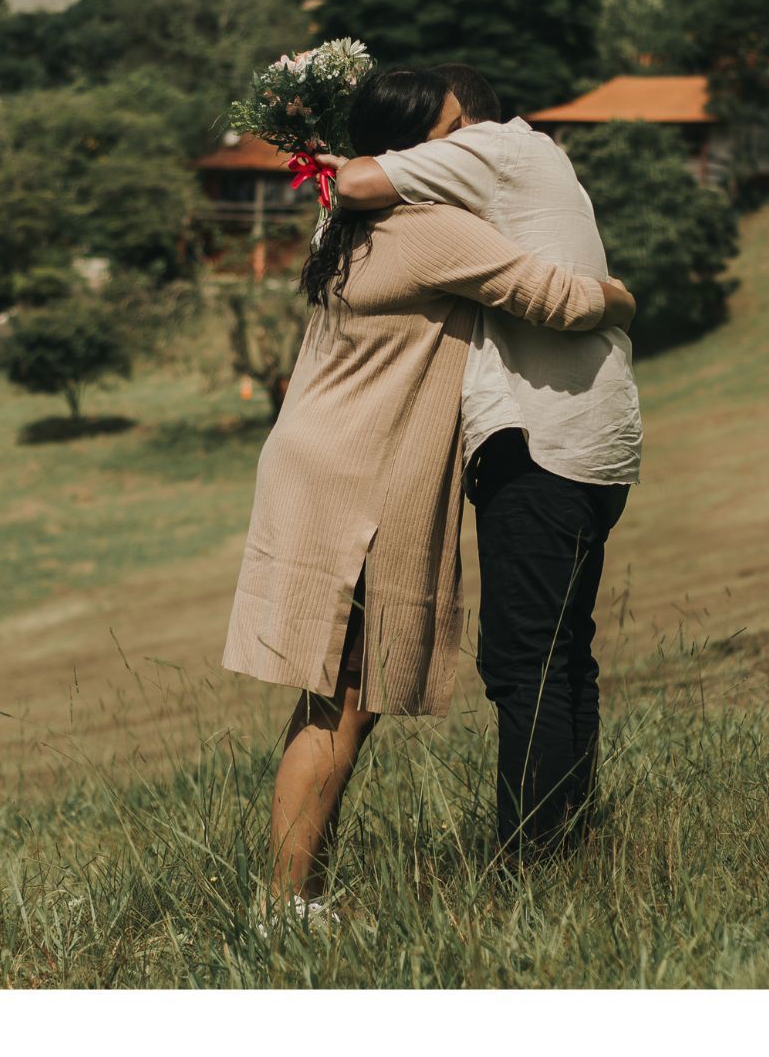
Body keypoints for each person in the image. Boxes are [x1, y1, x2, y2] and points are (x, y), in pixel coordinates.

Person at [221, 66, 636, 925]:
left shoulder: (346, 226)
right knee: (343, 697)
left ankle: (301, 896)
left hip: (323, 460)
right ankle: (287, 903)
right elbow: (552, 297)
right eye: (450, 132)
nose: (468, 143)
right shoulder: (429, 231)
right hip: (356, 474)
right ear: (411, 149)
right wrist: (624, 296)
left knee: (339, 696)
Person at [336, 64, 643, 860]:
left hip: (541, 443)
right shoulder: (535, 159)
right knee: (563, 652)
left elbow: (354, 182)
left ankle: (532, 863)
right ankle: (569, 841)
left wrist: (314, 149)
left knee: (521, 663)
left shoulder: (492, 149)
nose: (428, 153)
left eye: (434, 134)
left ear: (465, 120)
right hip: (591, 437)